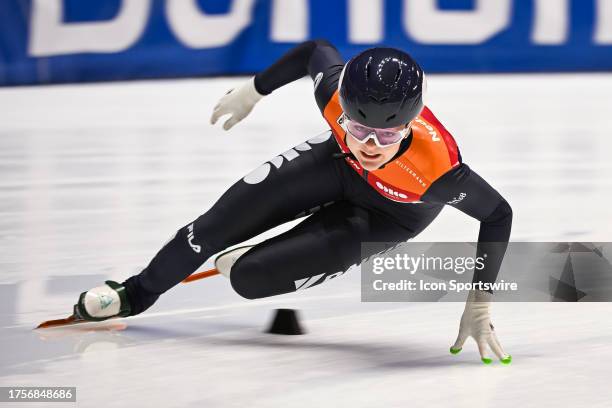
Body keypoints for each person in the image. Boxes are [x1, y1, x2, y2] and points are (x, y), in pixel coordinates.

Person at [73, 40, 512, 365]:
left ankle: (263, 256)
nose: (371, 147)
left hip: (392, 213)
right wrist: (254, 90)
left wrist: (480, 302)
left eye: (387, 136)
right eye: (359, 129)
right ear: (344, 110)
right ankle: (134, 293)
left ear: (410, 125)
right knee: (211, 228)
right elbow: (315, 51)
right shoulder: (336, 95)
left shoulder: (437, 171)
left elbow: (497, 214)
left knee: (249, 278)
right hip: (333, 163)